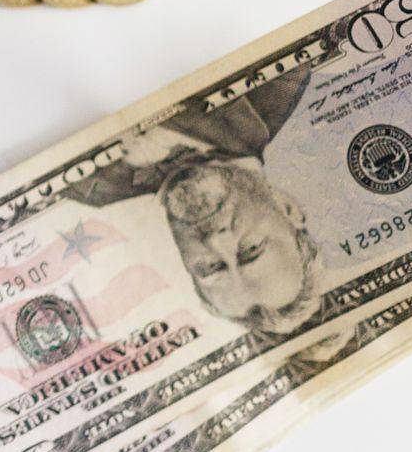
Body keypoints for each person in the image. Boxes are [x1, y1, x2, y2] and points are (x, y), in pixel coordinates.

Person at [65, 65, 326, 338]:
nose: (215, 241)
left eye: (210, 267)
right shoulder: (280, 81)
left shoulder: (83, 189)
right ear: (286, 208)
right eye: (250, 249)